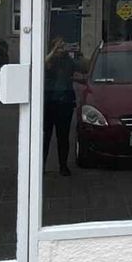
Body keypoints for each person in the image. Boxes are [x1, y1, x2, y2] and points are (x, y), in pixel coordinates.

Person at [42, 36, 77, 175]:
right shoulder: (50, 60)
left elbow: (84, 67)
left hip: (64, 103)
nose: (62, 49)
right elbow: (43, 64)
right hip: (49, 102)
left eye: (63, 46)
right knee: (45, 136)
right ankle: (41, 166)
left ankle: (63, 166)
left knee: (63, 137)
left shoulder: (68, 60)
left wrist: (77, 53)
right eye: (59, 46)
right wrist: (54, 51)